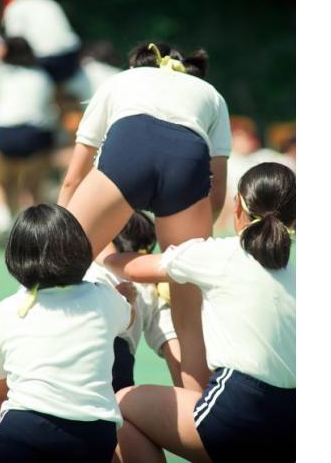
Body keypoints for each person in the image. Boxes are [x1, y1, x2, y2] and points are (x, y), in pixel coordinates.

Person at [58, 41, 232, 392]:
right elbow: (215, 195)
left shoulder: (120, 81)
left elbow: (73, 180)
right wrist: (185, 261)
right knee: (188, 320)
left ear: (135, 64)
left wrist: (61, 243)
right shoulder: (212, 95)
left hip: (130, 148)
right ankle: (198, 411)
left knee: (58, 273)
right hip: (187, 164)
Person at [105, 162, 296, 463]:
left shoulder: (219, 254)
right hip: (292, 426)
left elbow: (131, 268)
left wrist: (104, 251)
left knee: (119, 404)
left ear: (237, 207)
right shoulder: (296, 277)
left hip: (238, 410)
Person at [0, 204, 132, 463]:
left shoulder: (3, 313)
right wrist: (125, 298)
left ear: (16, 256)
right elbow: (128, 319)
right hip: (95, 437)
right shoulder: (105, 298)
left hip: (24, 432)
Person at [84, 211, 181, 390]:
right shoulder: (150, 288)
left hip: (75, 351)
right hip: (118, 368)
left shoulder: (83, 268)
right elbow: (176, 359)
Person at [0, 36, 60, 241]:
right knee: (32, 188)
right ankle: (37, 233)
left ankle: (2, 223)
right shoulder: (43, 76)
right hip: (36, 135)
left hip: (5, 133)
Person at [3, 0, 83, 85]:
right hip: (70, 59)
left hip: (44, 61)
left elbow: (15, 41)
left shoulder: (16, 6)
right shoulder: (50, 3)